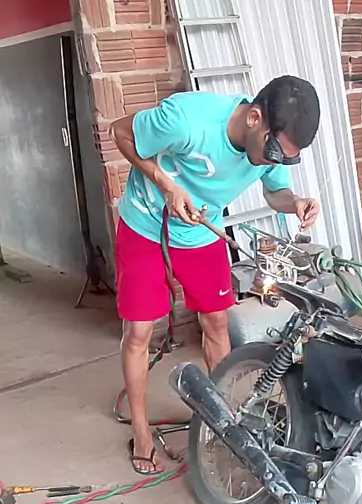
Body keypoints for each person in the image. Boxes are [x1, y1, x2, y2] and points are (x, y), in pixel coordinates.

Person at [111, 75, 321, 474]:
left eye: (285, 159)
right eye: (274, 152)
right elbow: (120, 132)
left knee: (217, 323)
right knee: (139, 331)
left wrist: (295, 202)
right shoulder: (187, 119)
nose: (275, 162)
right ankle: (140, 431)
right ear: (254, 118)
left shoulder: (270, 151)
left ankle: (224, 419)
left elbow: (275, 191)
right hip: (146, 225)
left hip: (201, 233)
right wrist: (165, 184)